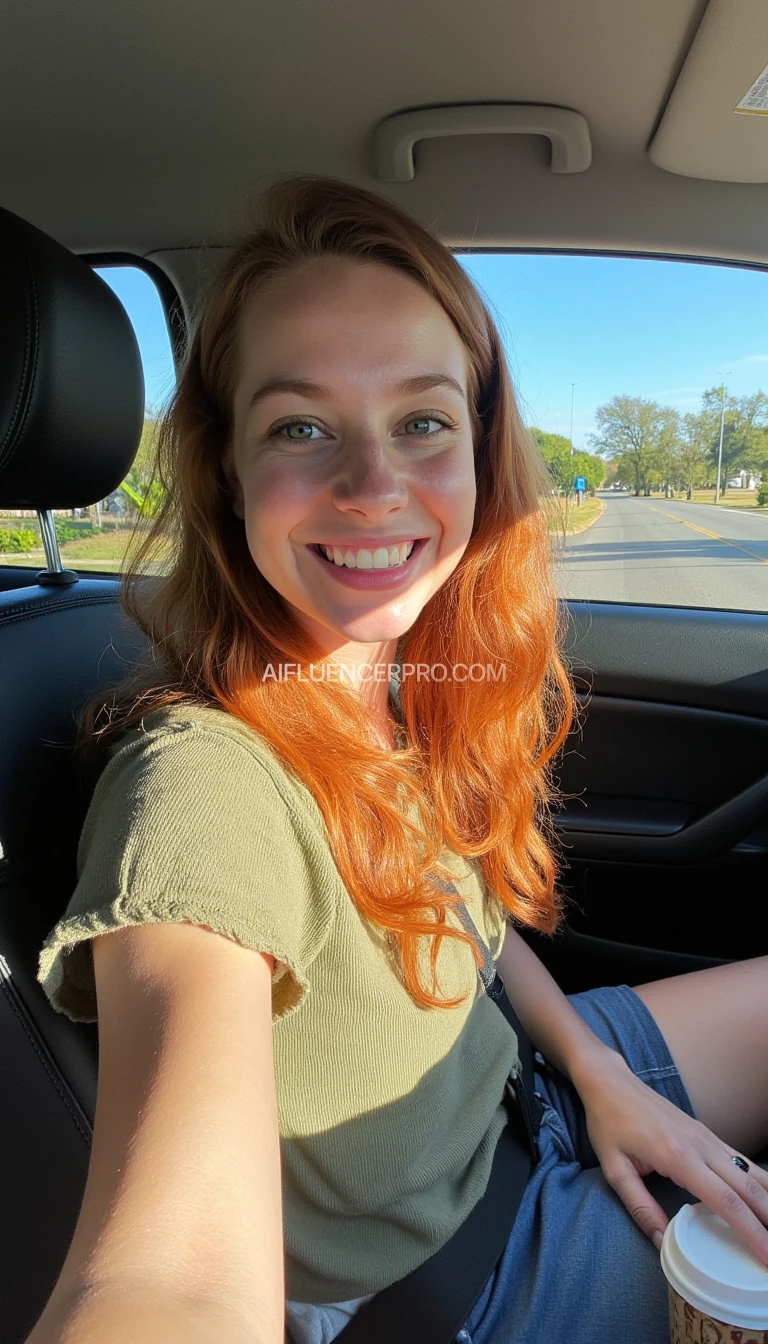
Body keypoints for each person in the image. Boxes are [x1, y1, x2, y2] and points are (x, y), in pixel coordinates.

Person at [29, 176, 768, 1344]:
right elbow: (165, 1282)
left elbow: (461, 926)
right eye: (301, 426)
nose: (373, 486)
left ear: (478, 446)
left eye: (422, 420)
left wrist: (595, 1068)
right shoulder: (201, 788)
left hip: (527, 1093)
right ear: (226, 469)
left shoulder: (389, 684)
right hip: (473, 1276)